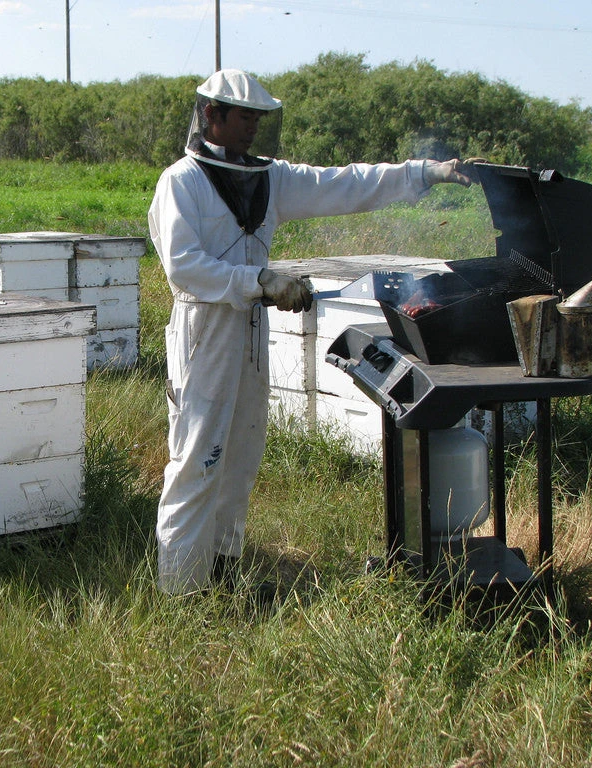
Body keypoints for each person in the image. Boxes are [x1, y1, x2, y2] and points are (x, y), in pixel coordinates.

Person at [147, 68, 475, 596]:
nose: (253, 128)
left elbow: (344, 183)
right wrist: (261, 280)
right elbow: (184, 268)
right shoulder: (180, 183)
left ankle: (224, 576)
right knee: (197, 460)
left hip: (248, 328)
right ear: (212, 115)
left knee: (240, 455)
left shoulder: (268, 178)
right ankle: (180, 593)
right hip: (204, 331)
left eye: (259, 118)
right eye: (245, 117)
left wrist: (426, 172)